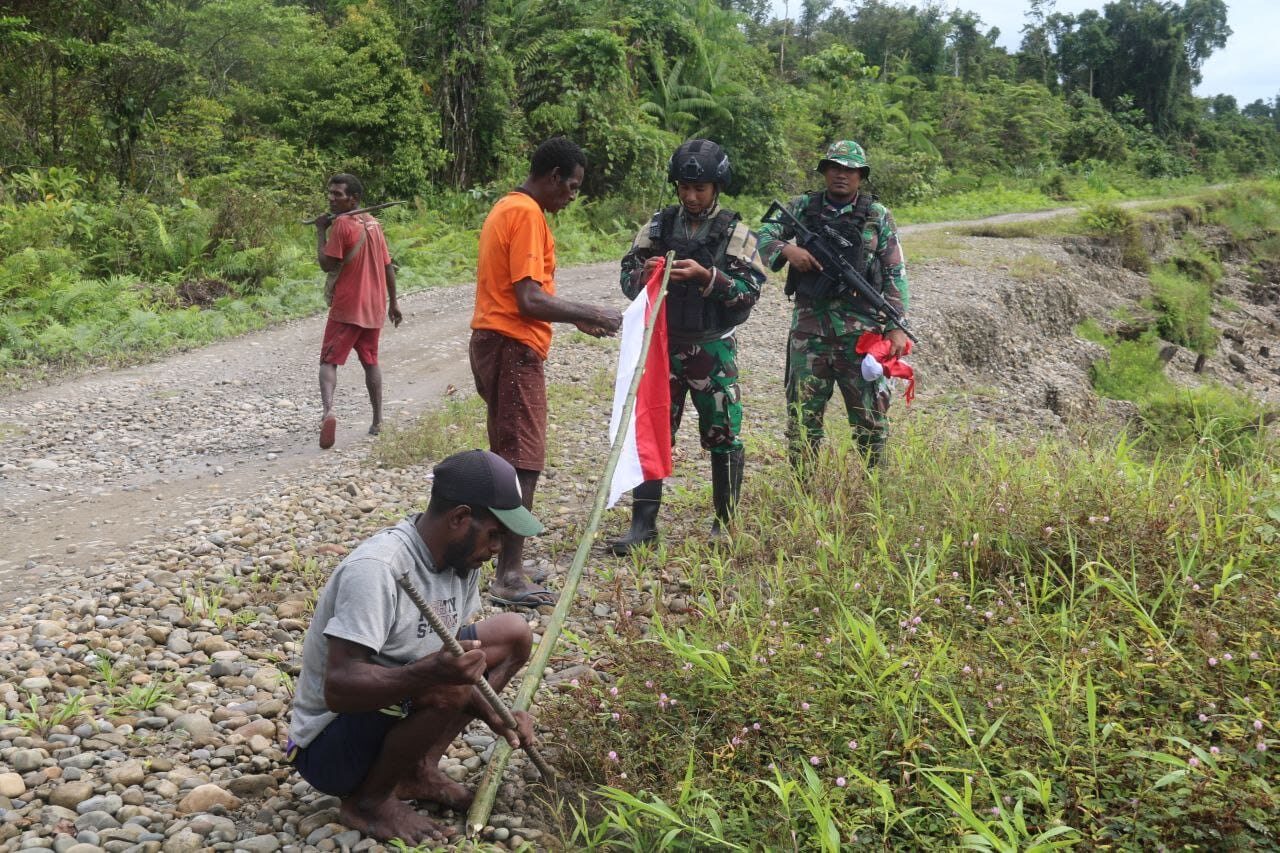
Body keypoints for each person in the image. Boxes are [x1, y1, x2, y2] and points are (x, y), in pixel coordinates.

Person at [286, 449, 545, 844]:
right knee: (447, 684)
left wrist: (498, 714)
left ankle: (416, 771)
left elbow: (458, 661)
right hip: (330, 747)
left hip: (393, 702)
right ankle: (368, 803)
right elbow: (339, 687)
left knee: (513, 634)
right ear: (459, 518)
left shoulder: (462, 562)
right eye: (495, 534)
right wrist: (429, 675)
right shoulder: (377, 569)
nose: (498, 550)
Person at [469, 136, 622, 608]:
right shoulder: (528, 214)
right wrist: (593, 310)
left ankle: (496, 559)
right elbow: (528, 299)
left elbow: (523, 293)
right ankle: (508, 573)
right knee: (523, 463)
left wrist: (572, 317)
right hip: (513, 348)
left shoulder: (508, 208)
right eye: (572, 186)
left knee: (507, 456)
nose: (573, 196)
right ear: (554, 176)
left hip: (499, 342)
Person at [610, 139, 767, 554]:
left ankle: (724, 523)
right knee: (654, 430)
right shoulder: (659, 227)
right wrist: (644, 275)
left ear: (717, 188)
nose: (692, 196)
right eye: (684, 187)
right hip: (662, 348)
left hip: (712, 349)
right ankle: (643, 527)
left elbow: (749, 293)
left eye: (700, 189)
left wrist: (706, 277)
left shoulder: (736, 233)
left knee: (724, 434)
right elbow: (627, 276)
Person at [755, 140, 910, 470]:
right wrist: (787, 251)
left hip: (861, 336)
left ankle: (876, 494)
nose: (842, 175)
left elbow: (894, 270)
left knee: (870, 421)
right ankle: (804, 492)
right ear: (825, 171)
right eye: (836, 168)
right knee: (802, 420)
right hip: (809, 333)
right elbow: (764, 235)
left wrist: (895, 326)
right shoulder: (802, 207)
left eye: (850, 170)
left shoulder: (877, 216)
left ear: (861, 176)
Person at [314, 173, 402, 450]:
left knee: (329, 361)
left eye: (338, 195)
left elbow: (327, 264)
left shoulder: (341, 225)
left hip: (347, 307)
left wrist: (320, 231)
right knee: (370, 362)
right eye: (330, 193)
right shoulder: (374, 224)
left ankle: (328, 412)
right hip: (374, 307)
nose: (331, 198)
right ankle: (377, 421)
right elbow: (388, 266)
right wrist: (394, 303)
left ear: (354, 199)